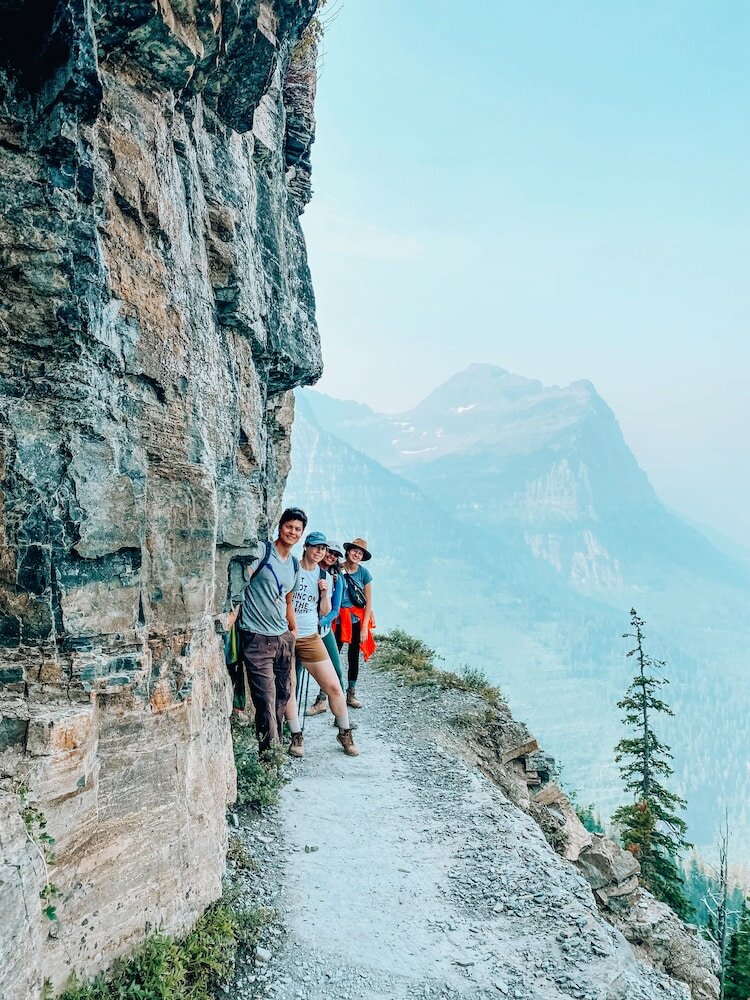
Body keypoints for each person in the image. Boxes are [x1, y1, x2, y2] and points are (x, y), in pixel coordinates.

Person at [228, 508, 304, 754]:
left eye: (297, 529)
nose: (292, 532)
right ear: (280, 526)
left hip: (282, 638)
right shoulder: (263, 551)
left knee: (282, 695)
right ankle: (269, 758)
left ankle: (276, 746)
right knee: (266, 701)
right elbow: (242, 580)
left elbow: (287, 599)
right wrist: (232, 613)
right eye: (289, 526)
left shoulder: (293, 564)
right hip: (257, 637)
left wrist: (292, 629)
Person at [284, 531, 359, 757]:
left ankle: (344, 732)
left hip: (310, 636)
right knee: (290, 687)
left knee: (334, 687)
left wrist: (325, 593)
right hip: (286, 636)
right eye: (316, 547)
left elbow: (326, 611)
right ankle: (296, 736)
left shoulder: (325, 575)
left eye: (323, 549)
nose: (320, 552)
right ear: (306, 547)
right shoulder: (291, 568)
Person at [335, 537, 376, 709]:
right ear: (348, 551)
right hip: (338, 618)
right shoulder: (337, 567)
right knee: (332, 655)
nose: (357, 554)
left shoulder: (364, 574)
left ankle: (350, 694)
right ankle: (323, 696)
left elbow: (368, 602)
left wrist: (365, 627)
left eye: (360, 553)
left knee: (353, 657)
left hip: (356, 619)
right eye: (355, 551)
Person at [306, 540, 345, 716]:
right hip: (306, 630)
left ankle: (341, 717)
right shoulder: (308, 570)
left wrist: (321, 621)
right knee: (297, 671)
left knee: (336, 671)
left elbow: (335, 609)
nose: (331, 556)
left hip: (323, 629)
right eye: (330, 552)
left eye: (335, 555)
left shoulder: (337, 578)